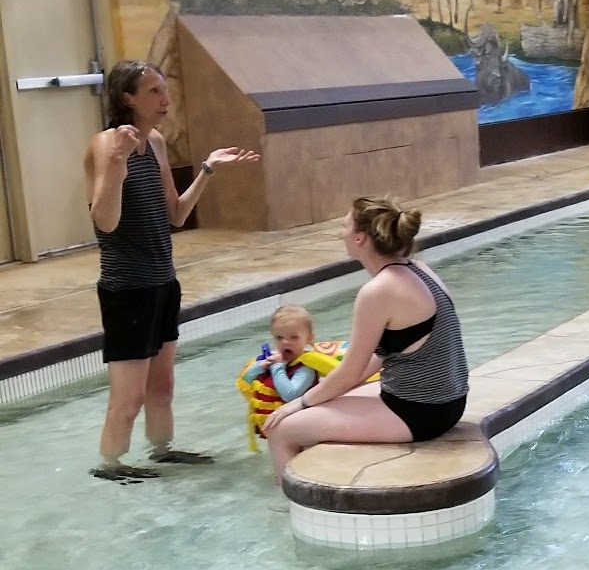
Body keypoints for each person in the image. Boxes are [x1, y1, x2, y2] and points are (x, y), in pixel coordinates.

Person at [86, 59, 257, 482]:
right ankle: (110, 466)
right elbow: (105, 221)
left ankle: (161, 451)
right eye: (154, 92)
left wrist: (208, 169)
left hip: (163, 280)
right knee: (129, 398)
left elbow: (176, 214)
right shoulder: (105, 146)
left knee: (162, 387)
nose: (165, 99)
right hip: (127, 289)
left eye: (164, 89)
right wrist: (118, 162)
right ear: (127, 98)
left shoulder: (157, 142)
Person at [262, 196, 470, 477]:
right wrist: (320, 398)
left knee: (281, 429)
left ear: (360, 238)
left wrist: (298, 404)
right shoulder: (419, 270)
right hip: (449, 403)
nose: (341, 233)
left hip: (419, 413)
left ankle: (289, 501)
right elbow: (383, 354)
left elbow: (350, 372)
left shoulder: (378, 291)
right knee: (324, 401)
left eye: (345, 226)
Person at [235, 304, 361, 449]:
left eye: (294, 337)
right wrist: (260, 367)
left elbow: (290, 395)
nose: (285, 342)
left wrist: (277, 367)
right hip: (279, 426)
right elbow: (245, 381)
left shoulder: (305, 368)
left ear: (309, 339)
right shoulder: (272, 361)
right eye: (279, 337)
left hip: (304, 428)